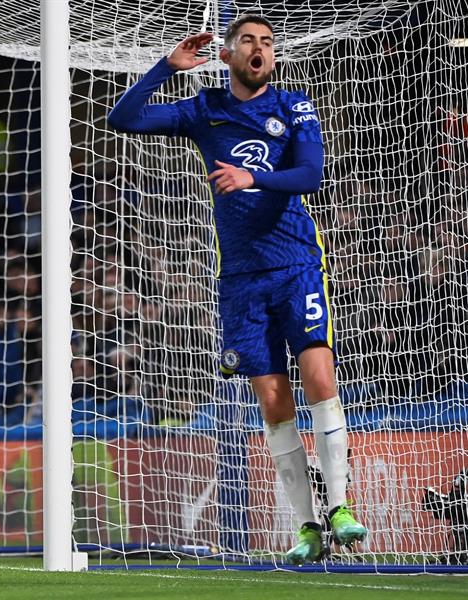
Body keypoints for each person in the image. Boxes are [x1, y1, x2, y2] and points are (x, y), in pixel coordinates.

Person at [107, 15, 367, 565]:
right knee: (273, 403)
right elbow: (122, 118)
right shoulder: (206, 111)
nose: (260, 48)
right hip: (241, 280)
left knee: (319, 376)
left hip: (296, 264)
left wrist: (253, 178)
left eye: (268, 42)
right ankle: (306, 526)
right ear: (226, 55)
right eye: (248, 40)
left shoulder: (294, 107)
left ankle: (340, 507)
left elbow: (310, 175)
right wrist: (167, 67)